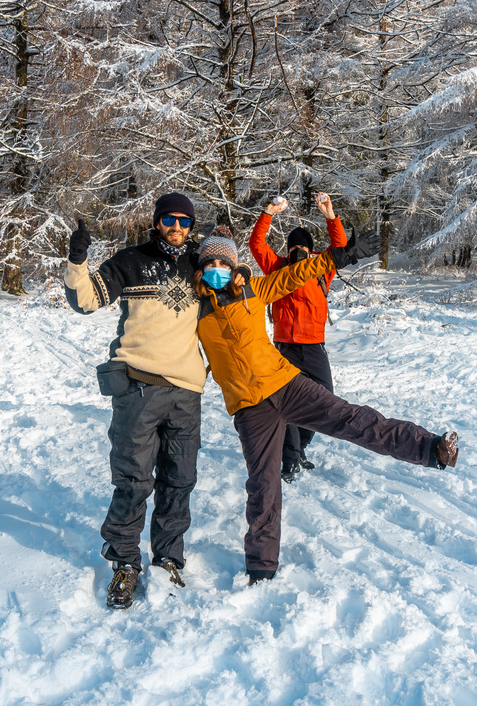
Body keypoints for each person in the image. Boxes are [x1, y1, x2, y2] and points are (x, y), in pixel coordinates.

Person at [193, 227, 459, 585]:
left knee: (352, 419)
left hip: (286, 384)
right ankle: (261, 568)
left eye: (223, 262)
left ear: (234, 264)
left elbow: (296, 273)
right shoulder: (192, 310)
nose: (216, 268)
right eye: (208, 262)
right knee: (264, 487)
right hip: (249, 408)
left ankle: (429, 448)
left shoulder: (253, 288)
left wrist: (341, 255)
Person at [64, 192, 208, 610]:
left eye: (184, 220)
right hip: (138, 388)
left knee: (179, 480)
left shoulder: (202, 264)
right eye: (169, 219)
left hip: (187, 392)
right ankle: (125, 562)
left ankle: (167, 558)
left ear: (191, 225)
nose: (176, 226)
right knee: (133, 481)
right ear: (157, 221)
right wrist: (78, 261)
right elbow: (85, 300)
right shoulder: (131, 260)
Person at [248, 193, 347, 482]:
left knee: (323, 401)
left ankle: (299, 448)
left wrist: (330, 215)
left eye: (304, 247)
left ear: (312, 251)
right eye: (294, 247)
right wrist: (268, 213)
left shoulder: (321, 270)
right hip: (284, 348)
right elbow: (256, 245)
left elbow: (340, 247)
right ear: (288, 250)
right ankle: (289, 459)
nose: (299, 251)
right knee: (285, 403)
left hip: (315, 347)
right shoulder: (276, 268)